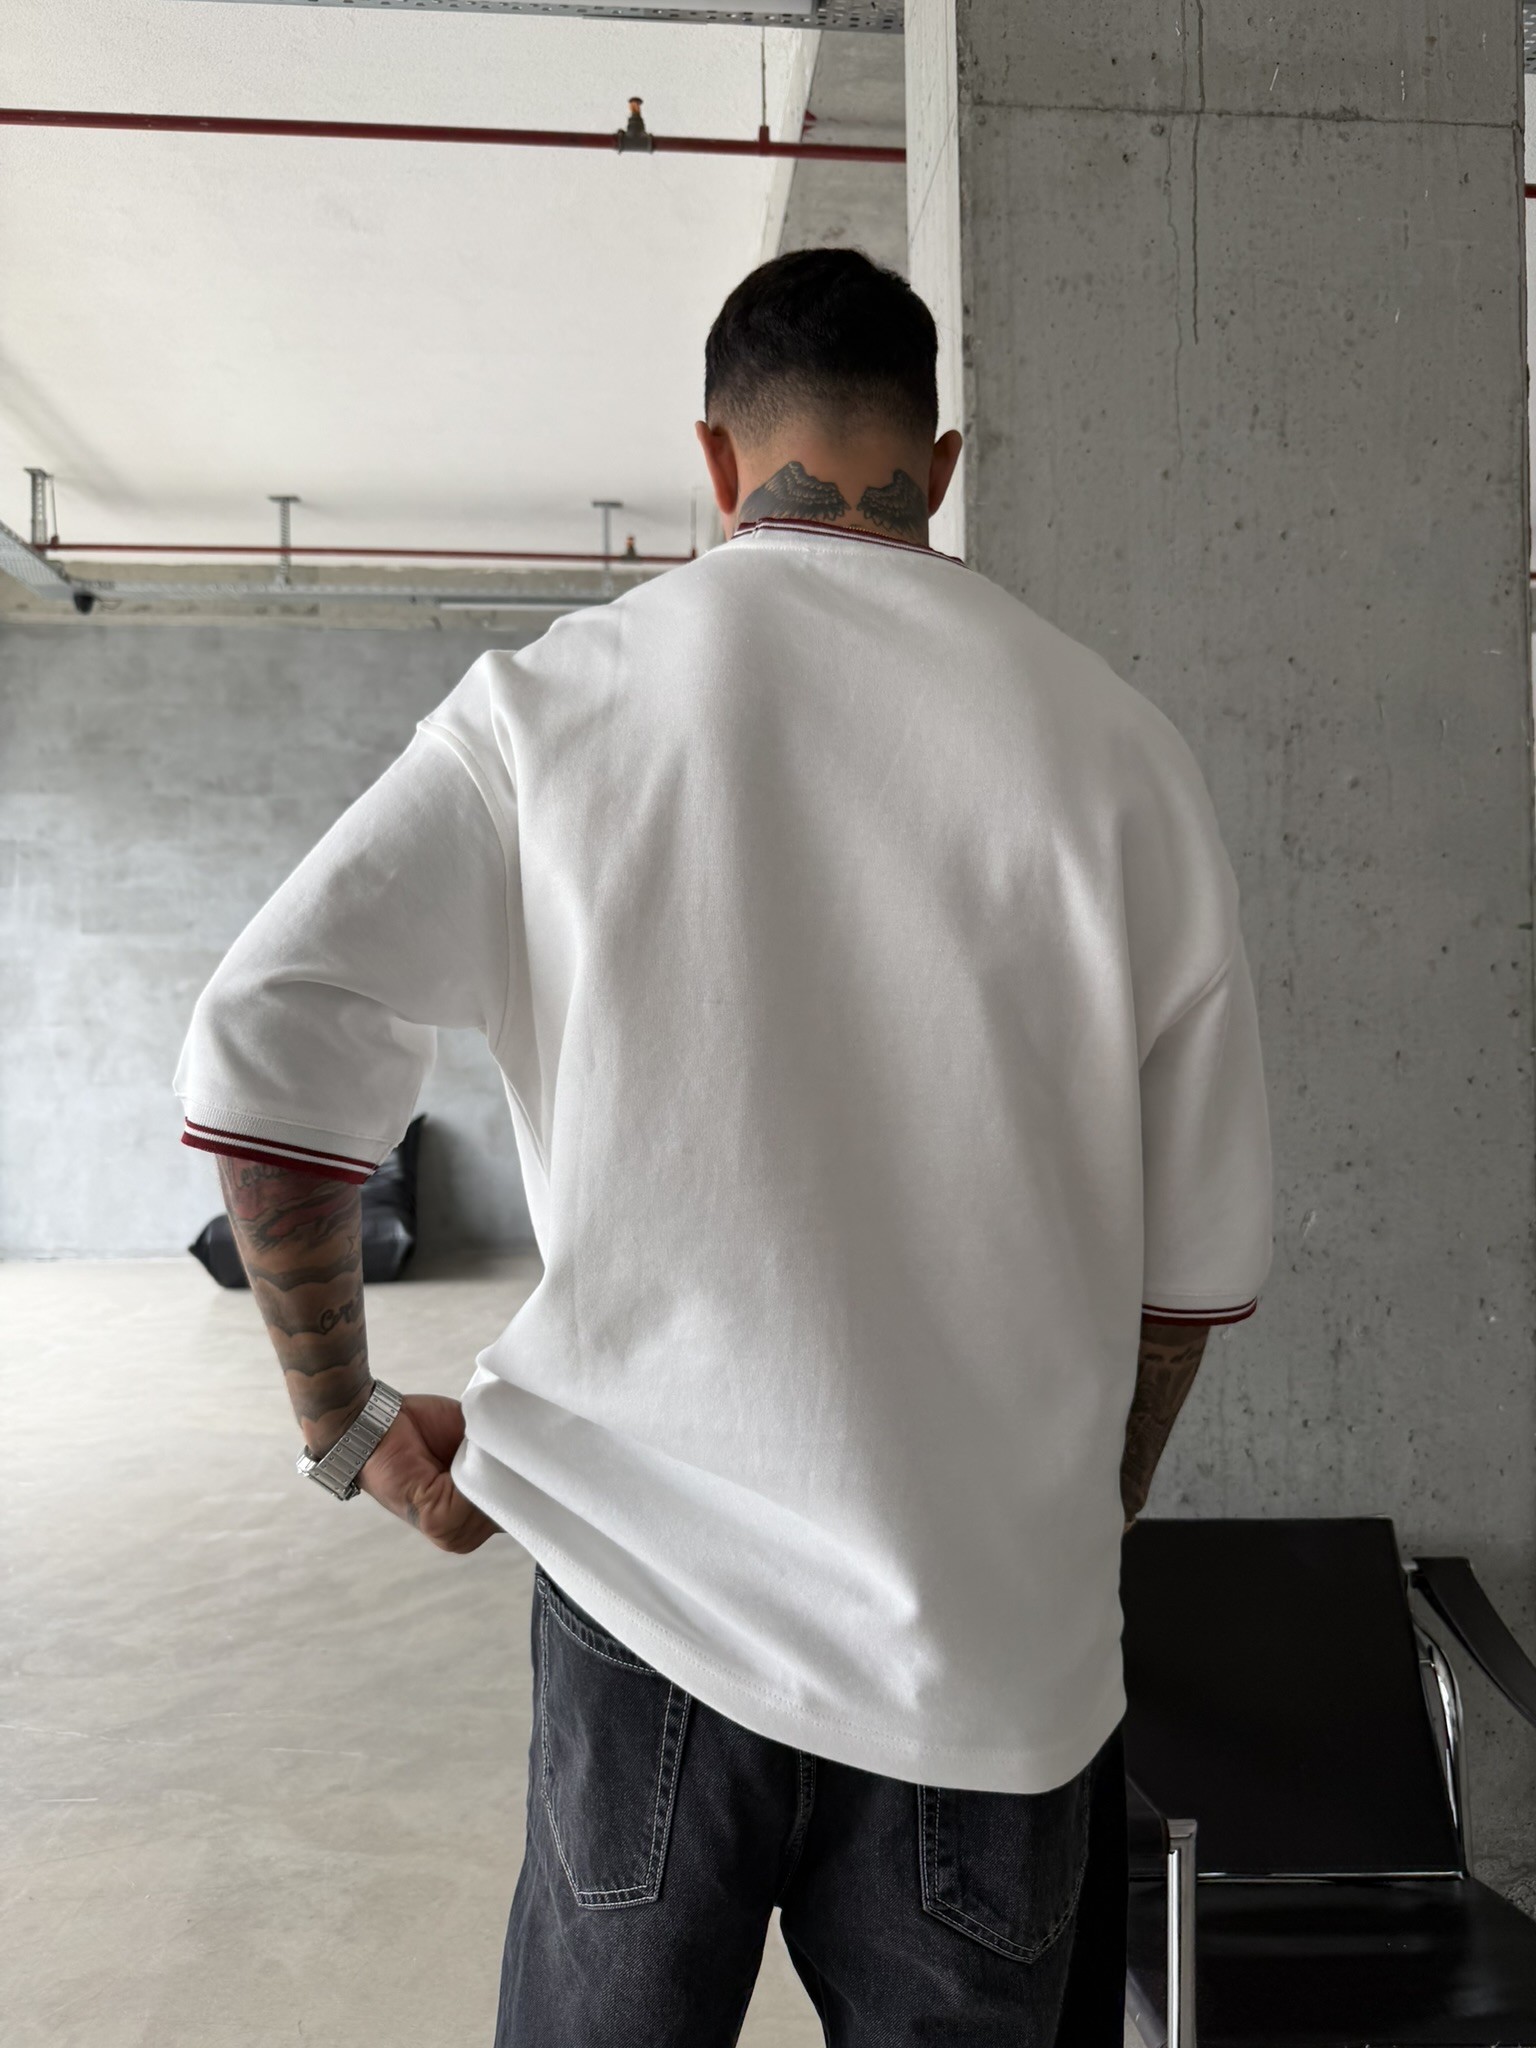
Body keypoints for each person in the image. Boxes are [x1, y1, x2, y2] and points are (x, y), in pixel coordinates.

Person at [175, 247, 1271, 2046]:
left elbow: (265, 1030)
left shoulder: (554, 708)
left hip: (646, 1602)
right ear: (943, 460)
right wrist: (1080, 1510)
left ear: (711, 457)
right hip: (987, 1644)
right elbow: (1190, 1276)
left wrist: (346, 1425)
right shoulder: (1118, 754)